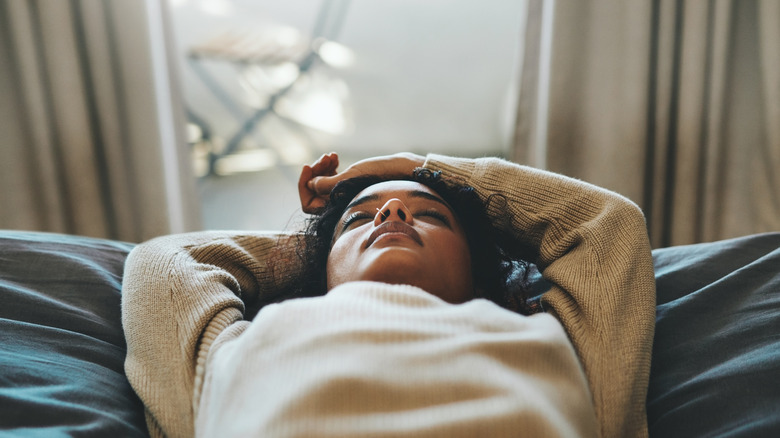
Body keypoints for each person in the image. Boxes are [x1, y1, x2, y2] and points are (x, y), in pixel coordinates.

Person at [122, 152, 655, 438]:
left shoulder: (545, 333)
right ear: (321, 270)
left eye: (429, 213)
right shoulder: (246, 342)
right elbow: (165, 262)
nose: (393, 212)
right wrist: (313, 246)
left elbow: (610, 224)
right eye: (363, 219)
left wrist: (414, 165)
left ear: (477, 273)